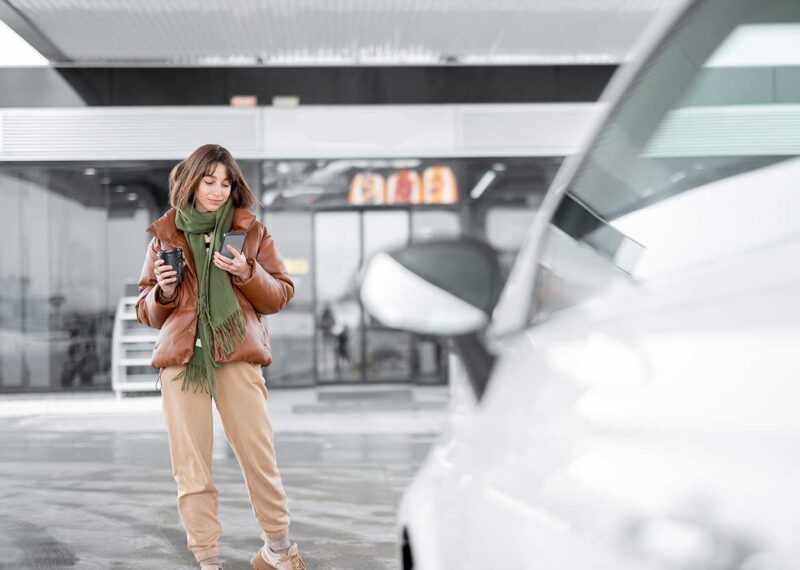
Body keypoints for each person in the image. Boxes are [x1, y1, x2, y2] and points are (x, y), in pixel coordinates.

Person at [135, 144, 307, 570]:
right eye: (209, 181)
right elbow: (146, 310)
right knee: (191, 466)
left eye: (225, 182)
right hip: (182, 362)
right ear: (191, 182)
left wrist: (247, 273)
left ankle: (279, 550)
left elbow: (281, 294)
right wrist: (164, 291)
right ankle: (207, 560)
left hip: (236, 355)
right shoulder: (166, 234)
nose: (217, 190)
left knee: (258, 454)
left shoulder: (252, 231)